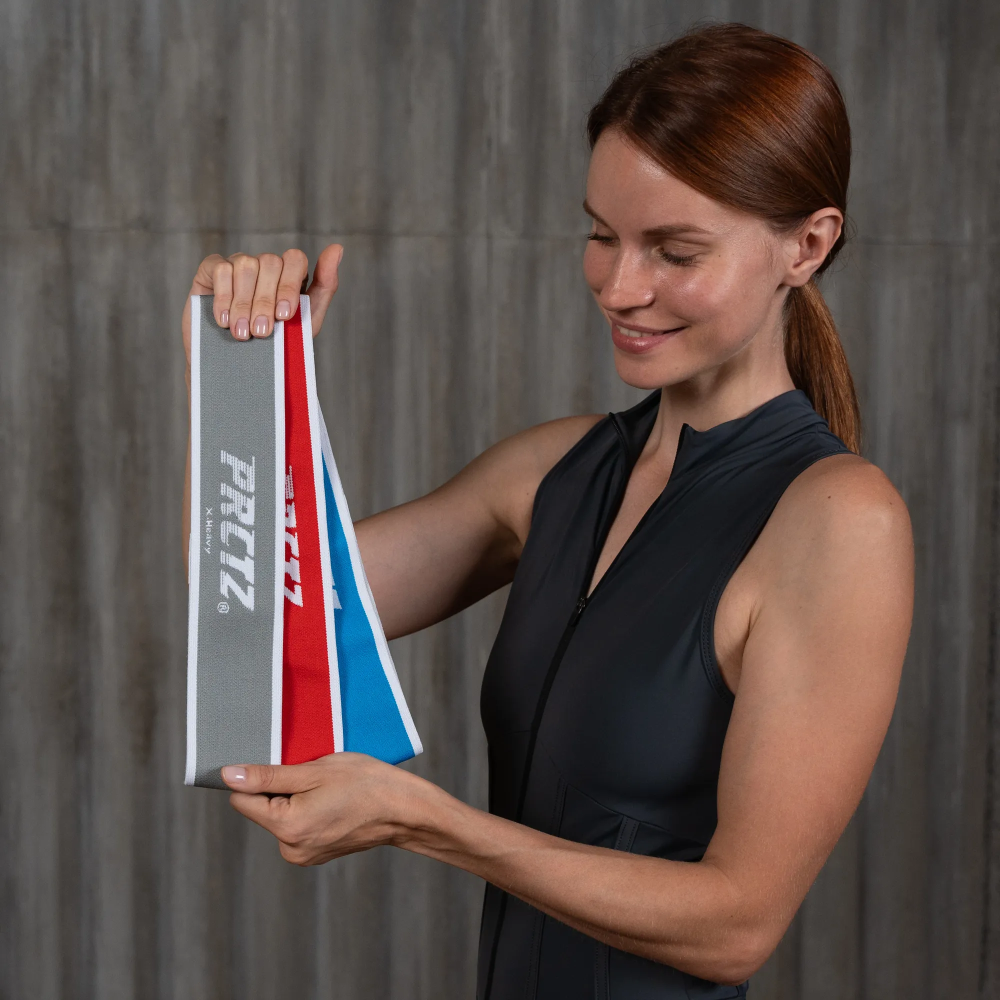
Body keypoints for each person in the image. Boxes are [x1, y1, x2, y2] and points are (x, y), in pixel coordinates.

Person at [181, 23, 913, 999]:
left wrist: (425, 821)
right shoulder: (551, 472)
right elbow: (256, 622)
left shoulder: (840, 522)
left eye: (675, 250)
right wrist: (245, 386)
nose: (620, 286)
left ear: (806, 245)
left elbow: (736, 925)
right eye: (602, 235)